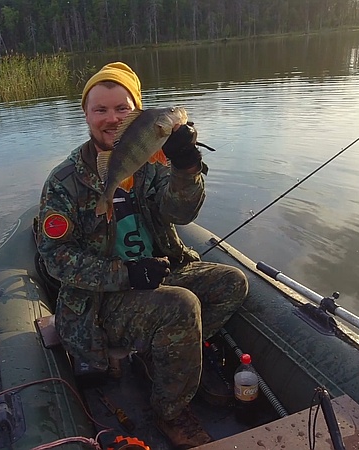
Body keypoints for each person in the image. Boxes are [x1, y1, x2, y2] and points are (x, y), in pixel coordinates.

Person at [36, 62, 248, 448]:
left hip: (160, 276)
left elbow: (180, 214)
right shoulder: (64, 182)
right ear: (86, 114)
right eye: (100, 109)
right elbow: (55, 259)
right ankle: (171, 412)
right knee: (180, 306)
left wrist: (186, 167)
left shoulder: (154, 163)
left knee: (231, 282)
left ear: (138, 114)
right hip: (100, 302)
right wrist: (127, 274)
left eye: (122, 108)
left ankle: (161, 359)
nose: (111, 118)